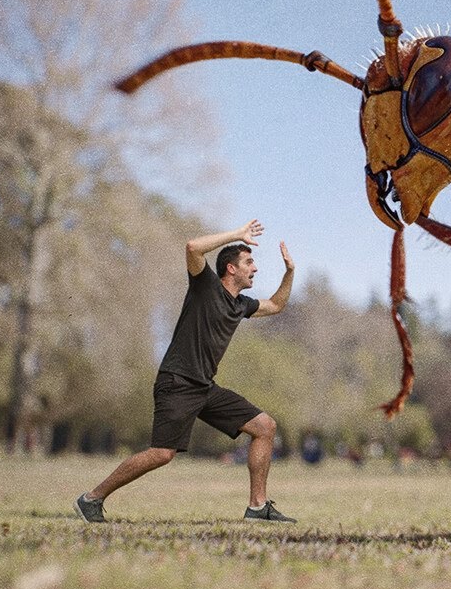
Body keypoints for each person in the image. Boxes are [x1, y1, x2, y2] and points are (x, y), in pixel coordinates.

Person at [74, 219, 297, 523]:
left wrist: (290, 273)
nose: (255, 268)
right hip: (178, 382)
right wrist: (237, 234)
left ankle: (257, 507)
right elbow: (192, 247)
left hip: (204, 387)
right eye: (248, 262)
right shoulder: (205, 286)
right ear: (230, 269)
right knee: (162, 453)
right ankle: (91, 499)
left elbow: (275, 305)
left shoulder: (240, 305)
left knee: (264, 427)